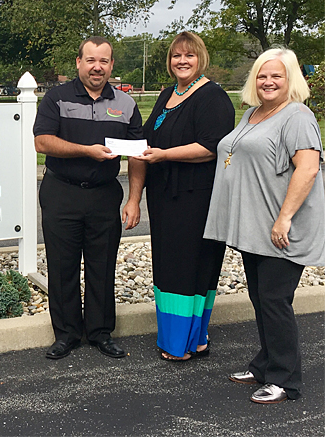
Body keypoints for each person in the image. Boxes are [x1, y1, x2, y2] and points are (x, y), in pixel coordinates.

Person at [204, 48, 325, 403]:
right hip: (256, 228)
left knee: (274, 300)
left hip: (282, 229)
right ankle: (265, 364)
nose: (268, 82)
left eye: (277, 76)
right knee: (262, 298)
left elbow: (308, 168)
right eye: (262, 75)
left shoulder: (297, 116)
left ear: (291, 80)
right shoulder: (254, 113)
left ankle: (285, 380)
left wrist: (284, 217)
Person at [33, 36, 145, 360]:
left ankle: (99, 332)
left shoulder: (126, 105)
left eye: (104, 61)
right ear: (79, 62)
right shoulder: (57, 98)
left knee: (102, 265)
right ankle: (67, 334)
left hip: (104, 195)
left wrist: (135, 198)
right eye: (91, 60)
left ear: (111, 65)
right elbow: (42, 142)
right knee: (62, 265)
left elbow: (137, 156)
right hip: (61, 192)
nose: (97, 67)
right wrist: (86, 151)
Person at [136, 32, 235, 361]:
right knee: (168, 264)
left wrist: (163, 155)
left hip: (195, 198)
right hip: (165, 197)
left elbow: (210, 147)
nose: (182, 61)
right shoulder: (168, 94)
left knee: (188, 265)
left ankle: (184, 344)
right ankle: (189, 339)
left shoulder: (213, 97)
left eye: (189, 55)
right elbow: (146, 137)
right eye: (176, 55)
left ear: (200, 58)